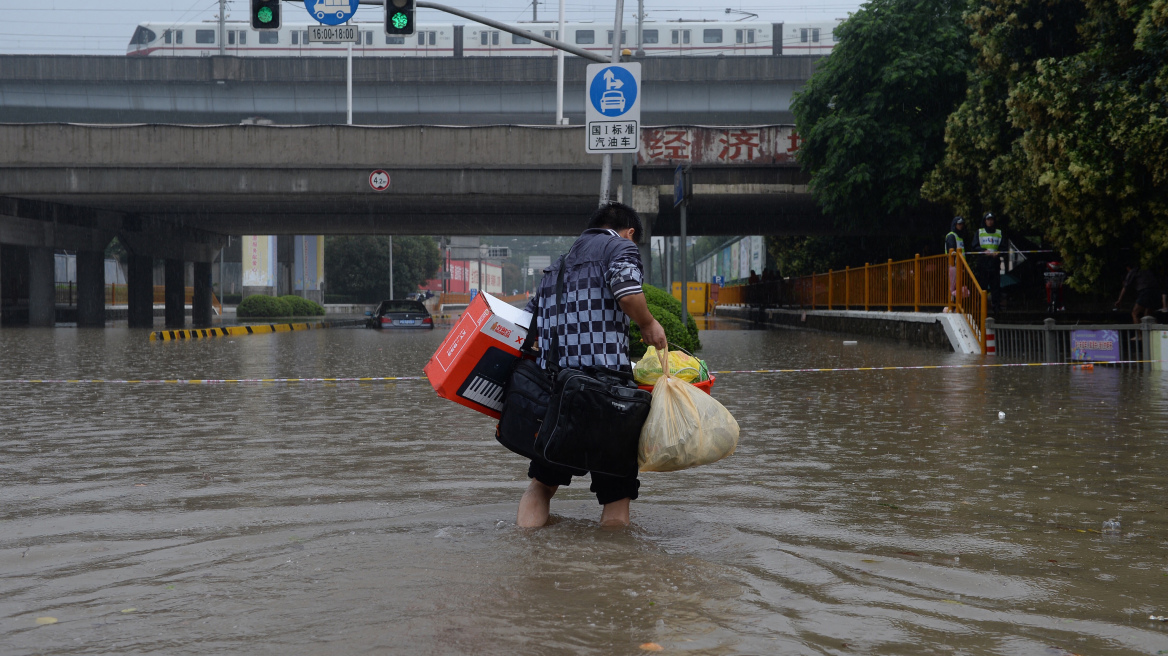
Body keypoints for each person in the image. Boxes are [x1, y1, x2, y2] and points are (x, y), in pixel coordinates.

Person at [517, 202, 668, 529]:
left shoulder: (556, 266)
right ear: (629, 232)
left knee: (541, 486)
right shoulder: (621, 246)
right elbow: (627, 292)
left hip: (561, 395)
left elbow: (528, 324)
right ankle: (609, 571)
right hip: (610, 398)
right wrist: (648, 324)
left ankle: (525, 552)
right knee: (616, 495)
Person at [975, 212, 1004, 313]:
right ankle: (982, 307)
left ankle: (996, 306)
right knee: (982, 286)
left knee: (995, 286)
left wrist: (998, 252)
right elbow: (974, 246)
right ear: (985, 221)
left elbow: (1003, 247)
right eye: (988, 220)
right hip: (983, 263)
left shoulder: (999, 233)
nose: (990, 221)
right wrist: (983, 251)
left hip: (995, 263)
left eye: (992, 219)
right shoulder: (980, 232)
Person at [945, 216, 967, 302]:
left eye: (962, 224)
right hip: (954, 266)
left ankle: (957, 305)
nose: (961, 226)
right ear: (955, 225)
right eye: (959, 224)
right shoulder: (951, 236)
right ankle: (952, 305)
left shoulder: (960, 237)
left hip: (960, 266)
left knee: (959, 287)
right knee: (953, 287)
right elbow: (952, 251)